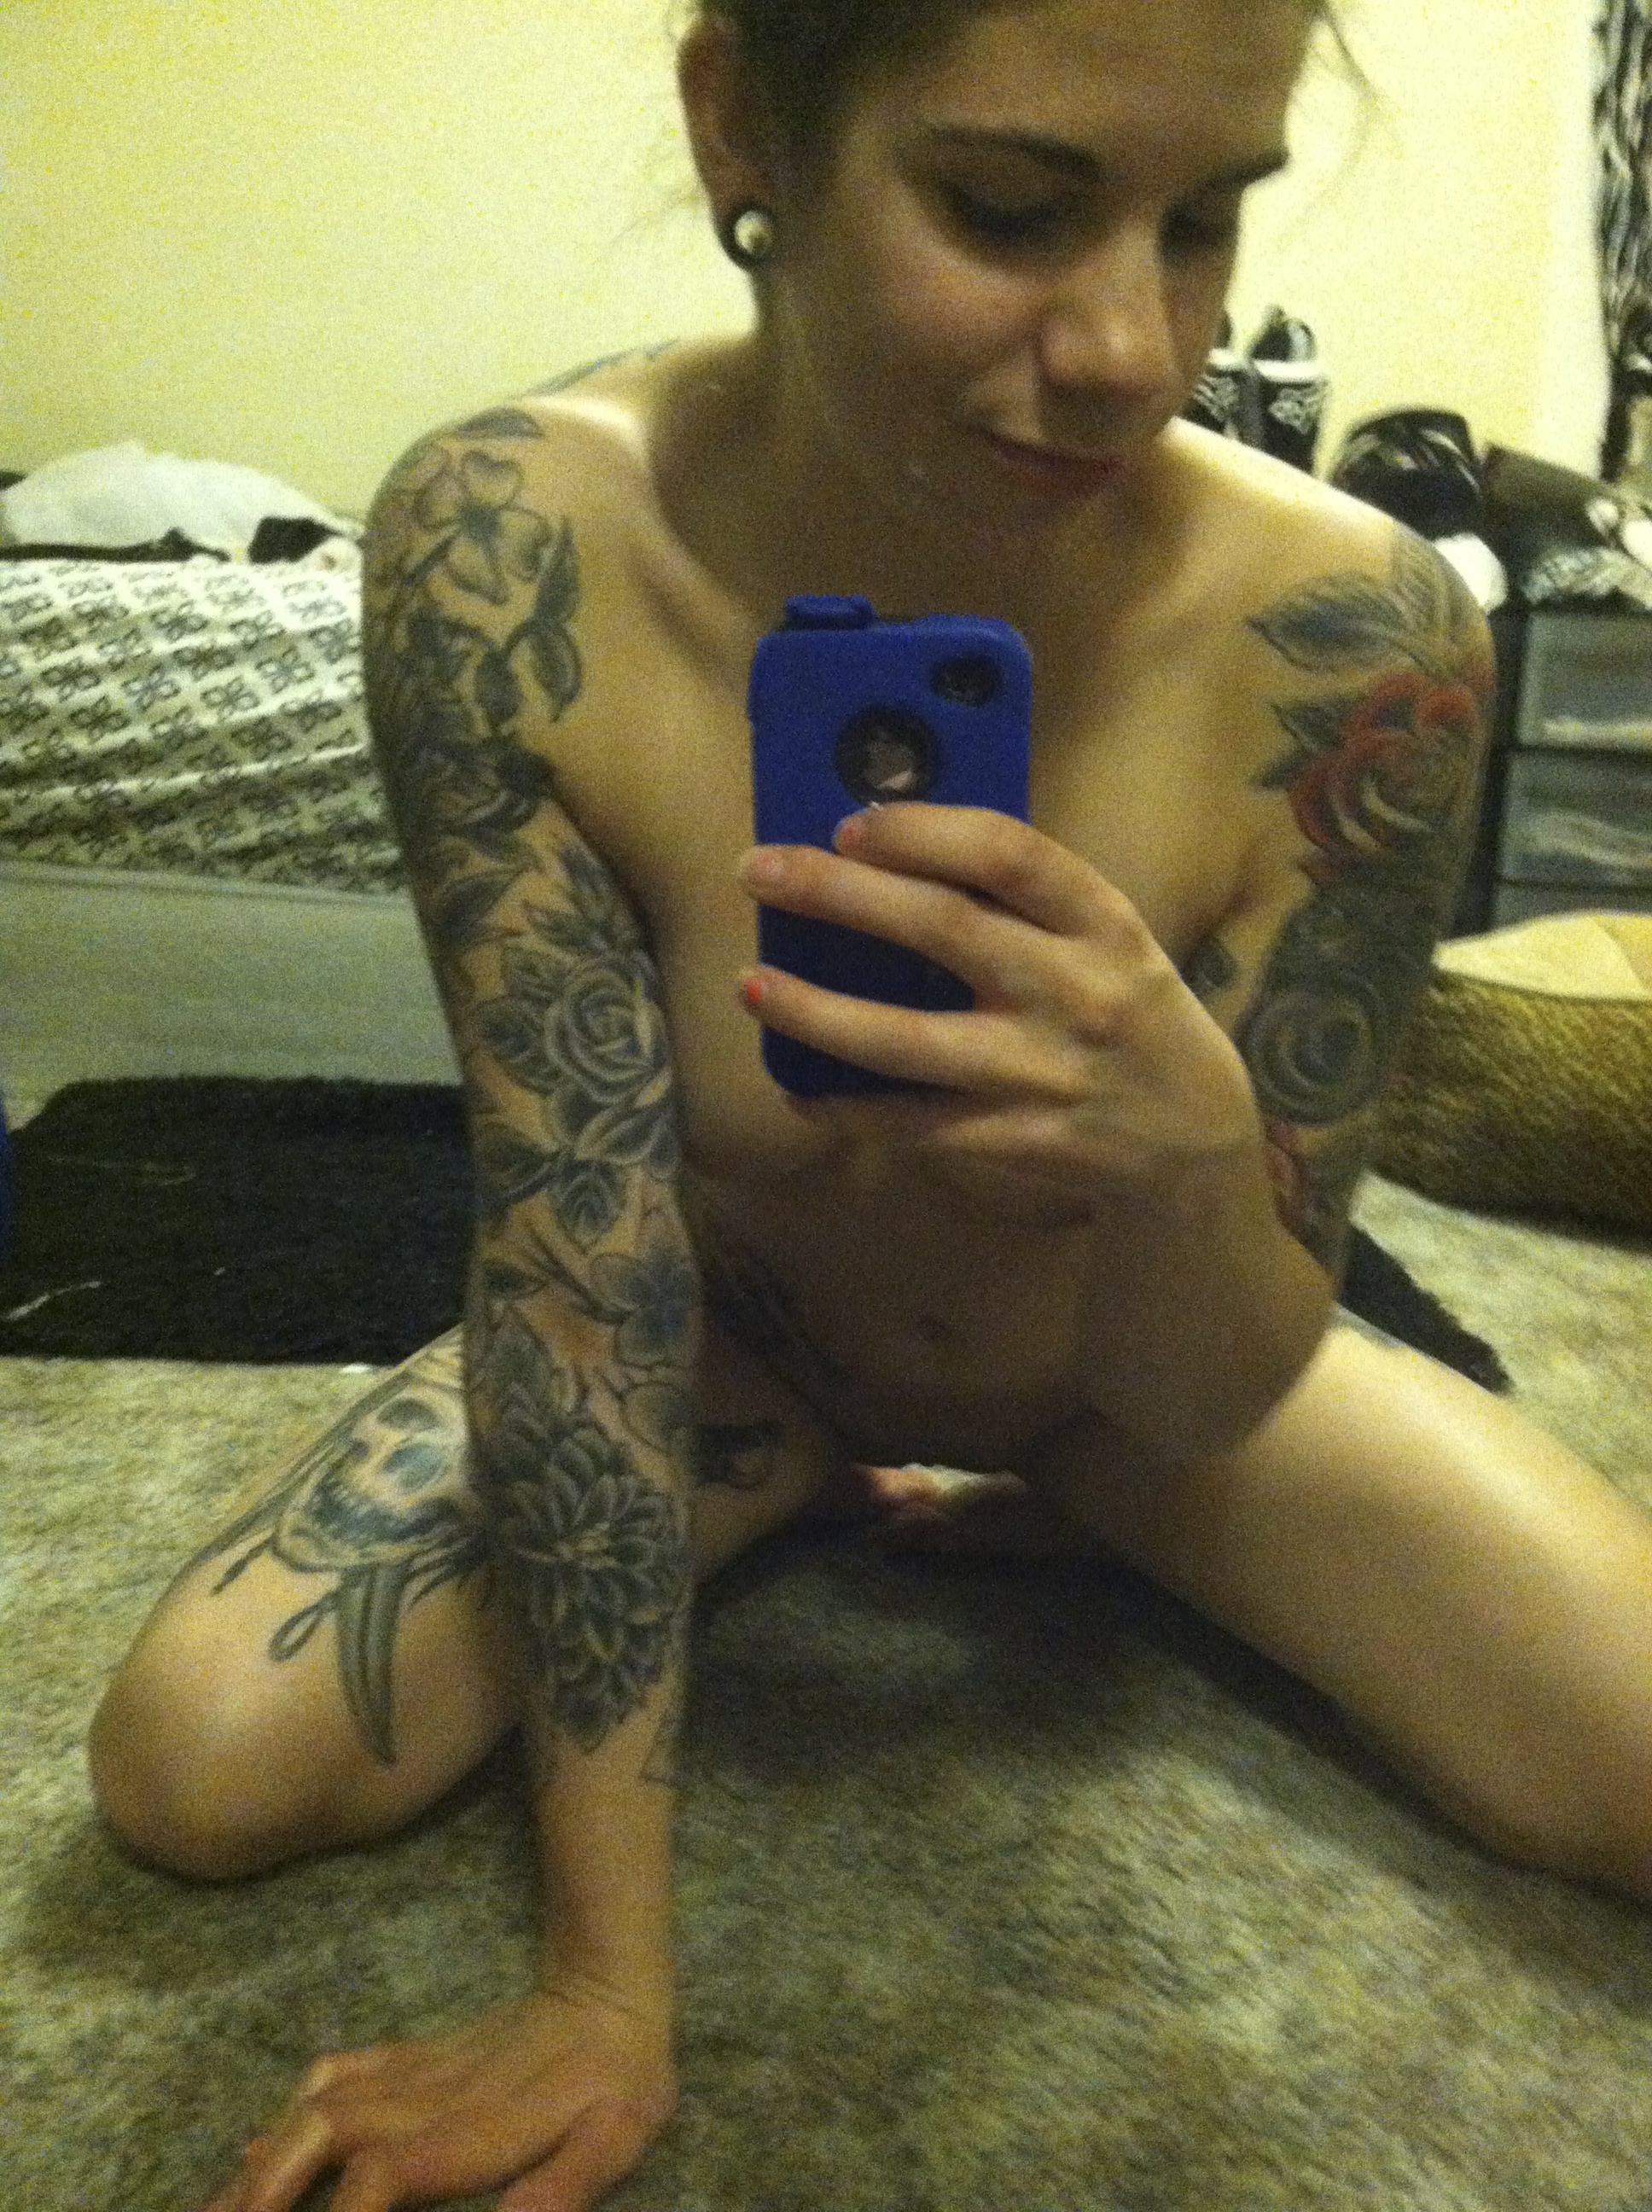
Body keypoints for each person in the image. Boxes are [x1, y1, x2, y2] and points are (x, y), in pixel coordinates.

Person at [87, 2, 1652, 2206]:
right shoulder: (509, 543)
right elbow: (577, 1262)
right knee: (196, 1767)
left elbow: (1221, 1379)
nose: (1133, 349)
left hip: (1134, 1378)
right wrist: (603, 1992)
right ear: (745, 122)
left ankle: (1050, 1504)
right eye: (1007, 209)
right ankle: (810, 1469)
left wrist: (1193, 1160)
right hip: (730, 1341)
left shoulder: (1358, 635)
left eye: (1206, 223)